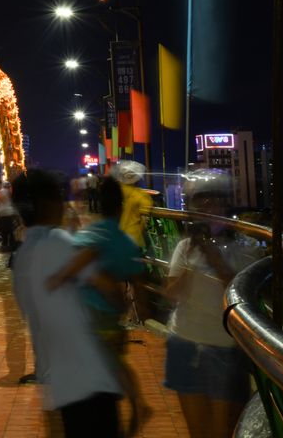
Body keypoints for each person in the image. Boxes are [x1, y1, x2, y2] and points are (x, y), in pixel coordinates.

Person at [11, 168, 123, 438]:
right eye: (59, 196)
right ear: (48, 203)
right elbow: (112, 294)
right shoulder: (58, 242)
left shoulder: (21, 257)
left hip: (61, 381)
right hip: (91, 376)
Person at [49, 176, 150, 435]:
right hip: (110, 320)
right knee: (114, 364)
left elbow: (68, 271)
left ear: (96, 206)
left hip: (85, 322)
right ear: (121, 208)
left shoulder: (88, 236)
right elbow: (139, 289)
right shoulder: (126, 244)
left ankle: (135, 403)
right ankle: (137, 401)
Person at [164, 170, 260, 438]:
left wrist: (213, 256)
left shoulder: (245, 246)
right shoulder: (185, 247)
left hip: (225, 347)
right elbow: (172, 293)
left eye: (213, 202)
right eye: (200, 203)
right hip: (184, 341)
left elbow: (240, 293)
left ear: (226, 204)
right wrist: (193, 258)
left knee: (224, 431)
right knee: (198, 431)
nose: (207, 210)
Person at [0, 180, 18, 250]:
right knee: (8, 231)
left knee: (5, 231)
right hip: (7, 214)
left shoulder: (3, 191)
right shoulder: (5, 191)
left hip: (5, 214)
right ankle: (9, 245)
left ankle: (6, 245)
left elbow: (2, 200)